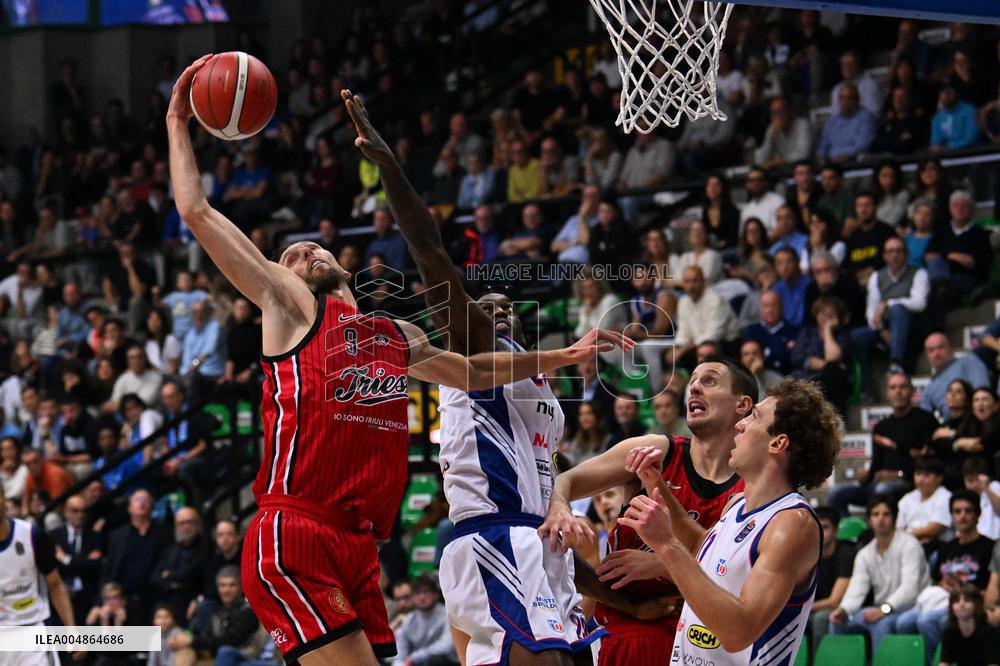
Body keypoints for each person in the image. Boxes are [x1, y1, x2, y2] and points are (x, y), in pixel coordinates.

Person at [168, 64, 627, 665]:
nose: (303, 249)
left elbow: (470, 372)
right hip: (295, 526)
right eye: (290, 255)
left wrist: (560, 355)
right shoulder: (290, 309)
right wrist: (179, 122)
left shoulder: (397, 336)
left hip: (359, 542)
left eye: (313, 245)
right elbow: (197, 211)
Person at [339, 89, 640, 666]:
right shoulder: (475, 352)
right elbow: (430, 252)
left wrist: (609, 590)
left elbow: (547, 494)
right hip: (494, 534)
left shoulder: (542, 391)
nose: (495, 310)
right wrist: (390, 168)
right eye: (485, 306)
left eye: (506, 308)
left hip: (533, 539)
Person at [540, 357, 757, 661]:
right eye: (693, 380)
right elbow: (566, 480)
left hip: (705, 636)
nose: (694, 387)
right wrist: (560, 506)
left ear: (742, 404)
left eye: (709, 381)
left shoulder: (750, 487)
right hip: (633, 630)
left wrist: (662, 563)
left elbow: (733, 572)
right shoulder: (657, 450)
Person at [619, 378, 840, 664]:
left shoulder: (792, 524)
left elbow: (739, 631)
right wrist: (655, 483)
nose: (740, 424)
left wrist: (666, 545)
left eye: (754, 417)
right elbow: (705, 548)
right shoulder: (737, 504)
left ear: (777, 442)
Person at [894, 489, 995, 659]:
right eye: (957, 511)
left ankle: (939, 661)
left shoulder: (989, 547)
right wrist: (943, 585)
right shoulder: (945, 548)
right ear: (951, 516)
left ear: (978, 515)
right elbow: (935, 581)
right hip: (940, 600)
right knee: (903, 622)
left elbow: (991, 590)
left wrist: (961, 589)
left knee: (926, 621)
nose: (962, 516)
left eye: (968, 511)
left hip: (968, 604)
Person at [829, 371, 938, 516]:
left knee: (881, 490)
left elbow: (929, 460)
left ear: (912, 391)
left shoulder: (926, 420)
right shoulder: (881, 427)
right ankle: (848, 534)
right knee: (836, 493)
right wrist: (867, 476)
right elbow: (876, 462)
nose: (898, 392)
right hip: (877, 484)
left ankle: (875, 532)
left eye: (902, 387)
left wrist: (899, 474)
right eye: (893, 388)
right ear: (887, 393)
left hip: (907, 481)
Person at [829, 495, 930, 651]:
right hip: (880, 609)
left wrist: (884, 610)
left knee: (879, 622)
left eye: (886, 514)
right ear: (870, 520)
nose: (880, 519)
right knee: (836, 621)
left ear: (894, 518)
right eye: (876, 514)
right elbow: (857, 589)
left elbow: (910, 589)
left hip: (909, 608)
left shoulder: (910, 544)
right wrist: (843, 610)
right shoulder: (865, 553)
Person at [0, 493, 79, 665]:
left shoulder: (31, 535)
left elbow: (56, 585)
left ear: (3, 499)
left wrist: (72, 630)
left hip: (32, 631)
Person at [865, 237, 928, 371]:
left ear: (906, 254)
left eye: (899, 251)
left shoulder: (919, 273)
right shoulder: (876, 276)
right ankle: (864, 386)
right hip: (883, 327)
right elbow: (871, 311)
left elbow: (920, 303)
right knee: (856, 337)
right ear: (884, 256)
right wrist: (881, 330)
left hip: (911, 325)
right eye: (890, 251)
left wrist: (889, 302)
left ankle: (896, 363)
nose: (895, 255)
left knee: (898, 309)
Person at [49, 493, 105, 623]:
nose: (80, 515)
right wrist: (83, 563)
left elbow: (95, 566)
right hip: (60, 597)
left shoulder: (95, 537)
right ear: (66, 512)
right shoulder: (54, 536)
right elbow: (53, 567)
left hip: (87, 599)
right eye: (75, 511)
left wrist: (66, 559)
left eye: (84, 511)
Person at [810, 507, 854, 650]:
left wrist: (805, 607)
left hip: (844, 608)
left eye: (825, 527)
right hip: (816, 607)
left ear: (836, 530)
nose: (821, 532)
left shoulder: (845, 554)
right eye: (817, 527)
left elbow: (834, 601)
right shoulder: (809, 553)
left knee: (821, 618)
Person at [390, 575, 457, 666]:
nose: (422, 597)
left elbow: (446, 646)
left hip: (445, 662)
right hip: (415, 663)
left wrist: (414, 657)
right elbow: (400, 654)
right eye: (417, 593)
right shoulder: (409, 620)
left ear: (436, 594)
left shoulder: (449, 615)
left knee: (436, 660)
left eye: (426, 592)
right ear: (413, 597)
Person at [921, 333, 991, 420]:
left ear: (950, 348)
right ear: (927, 355)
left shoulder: (969, 362)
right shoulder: (928, 389)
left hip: (977, 423)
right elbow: (923, 419)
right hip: (950, 428)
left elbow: (984, 395)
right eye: (931, 350)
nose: (937, 353)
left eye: (941, 347)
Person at [897, 456, 952, 550]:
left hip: (937, 546)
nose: (920, 480)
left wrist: (906, 537)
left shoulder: (946, 497)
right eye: (918, 474)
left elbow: (934, 529)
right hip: (908, 544)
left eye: (926, 475)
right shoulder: (907, 498)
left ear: (939, 478)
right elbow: (899, 527)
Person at [940, 584, 1000, 666]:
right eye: (956, 601)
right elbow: (944, 663)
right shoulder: (949, 633)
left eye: (967, 600)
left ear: (977, 605)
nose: (961, 604)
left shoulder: (990, 633)